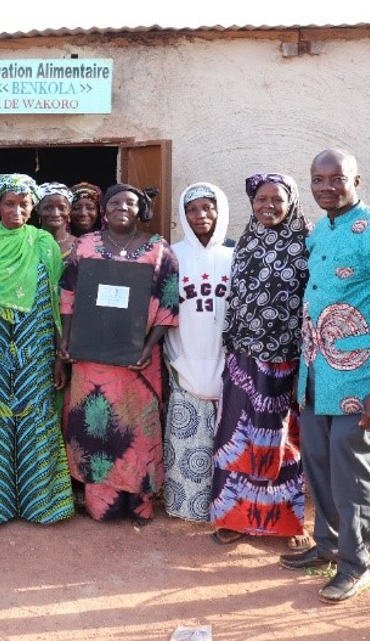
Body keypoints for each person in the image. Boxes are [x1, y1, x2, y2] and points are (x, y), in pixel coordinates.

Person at [282, 149, 370, 604]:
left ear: (356, 181)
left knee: (352, 473)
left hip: (360, 379)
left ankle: (356, 564)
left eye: (336, 178)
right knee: (319, 466)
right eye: (317, 179)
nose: (326, 187)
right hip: (316, 374)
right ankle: (327, 546)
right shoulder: (319, 232)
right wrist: (300, 374)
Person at [59, 184, 179, 521]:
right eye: (114, 202)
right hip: (92, 359)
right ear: (104, 209)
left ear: (140, 209)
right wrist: (66, 339)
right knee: (97, 429)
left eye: (130, 202)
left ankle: (138, 505)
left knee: (137, 431)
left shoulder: (158, 250)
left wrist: (148, 346)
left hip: (138, 361)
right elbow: (67, 294)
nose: (121, 207)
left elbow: (170, 303)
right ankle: (102, 505)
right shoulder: (84, 247)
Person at [0, 174, 74, 524]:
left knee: (36, 415)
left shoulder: (43, 243)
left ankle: (41, 504)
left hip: (37, 351)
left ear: (33, 207)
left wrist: (59, 355)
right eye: (9, 203)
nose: (16, 209)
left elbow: (56, 303)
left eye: (23, 203)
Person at [211, 173, 308, 546]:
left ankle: (286, 523)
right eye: (260, 199)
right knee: (236, 435)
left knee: (282, 437)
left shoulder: (307, 243)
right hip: (243, 357)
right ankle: (233, 518)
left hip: (286, 360)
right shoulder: (247, 241)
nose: (268, 206)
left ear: (292, 202)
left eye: (277, 199)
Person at [162, 182, 233, 522]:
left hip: (226, 362)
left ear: (220, 211)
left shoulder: (236, 255)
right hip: (184, 358)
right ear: (183, 215)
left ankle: (226, 511)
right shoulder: (172, 255)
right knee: (187, 438)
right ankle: (185, 506)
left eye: (208, 208)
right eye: (192, 209)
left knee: (227, 440)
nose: (201, 215)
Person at [36, 182, 75, 257]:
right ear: (37, 209)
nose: (55, 214)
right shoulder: (27, 243)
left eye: (61, 208)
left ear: (69, 209)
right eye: (48, 208)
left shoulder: (80, 246)